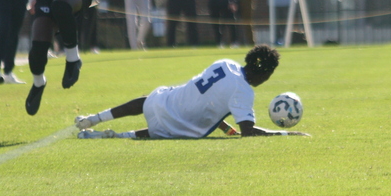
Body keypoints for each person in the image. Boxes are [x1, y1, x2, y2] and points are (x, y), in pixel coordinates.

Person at [75, 44, 309, 139]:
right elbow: (248, 132)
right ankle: (112, 135)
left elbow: (210, 100)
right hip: (179, 125)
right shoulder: (244, 92)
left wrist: (225, 127)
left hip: (167, 99)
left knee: (150, 101)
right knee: (168, 127)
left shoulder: (225, 63)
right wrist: (285, 134)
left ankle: (93, 119)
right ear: (265, 74)